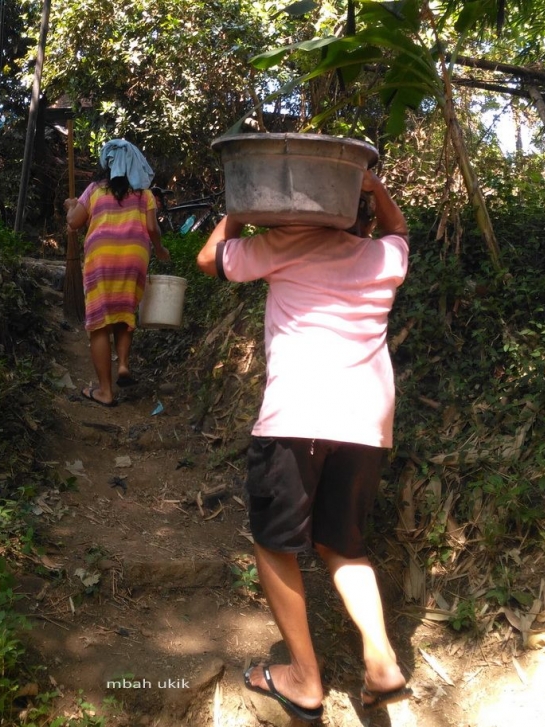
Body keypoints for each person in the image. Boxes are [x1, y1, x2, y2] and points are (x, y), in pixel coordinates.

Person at [196, 170, 412, 721]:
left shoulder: (280, 244)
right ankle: (383, 661)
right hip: (367, 420)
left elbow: (208, 259)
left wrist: (240, 206)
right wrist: (376, 189)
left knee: (274, 544)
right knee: (343, 544)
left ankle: (303, 678)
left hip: (298, 414)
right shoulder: (383, 258)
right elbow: (400, 229)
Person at [65, 139, 170, 407]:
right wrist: (159, 248)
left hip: (101, 258)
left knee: (100, 324)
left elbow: (74, 223)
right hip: (134, 258)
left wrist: (71, 206)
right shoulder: (144, 195)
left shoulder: (95, 191)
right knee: (125, 313)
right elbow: (152, 228)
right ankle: (123, 364)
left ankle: (105, 391)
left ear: (107, 164)